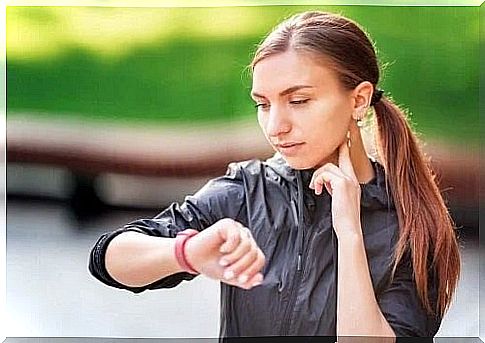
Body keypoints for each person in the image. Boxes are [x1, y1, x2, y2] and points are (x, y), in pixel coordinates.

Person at [88, 10, 461, 342]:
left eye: (298, 101)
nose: (275, 126)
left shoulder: (411, 223)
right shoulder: (248, 191)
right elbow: (108, 259)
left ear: (359, 99)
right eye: (263, 105)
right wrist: (186, 252)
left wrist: (350, 235)